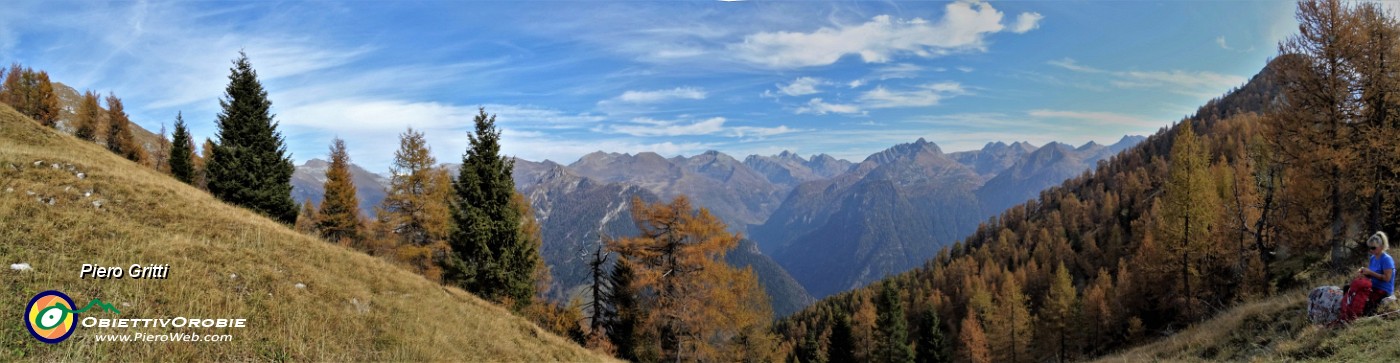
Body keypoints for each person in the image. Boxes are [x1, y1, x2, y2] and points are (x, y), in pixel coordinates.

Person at [1357, 231, 1394, 316]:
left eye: (1373, 248)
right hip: (1373, 287)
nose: (1371, 250)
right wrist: (1365, 273)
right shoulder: (1373, 258)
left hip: (1383, 290)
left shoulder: (1386, 259)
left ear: (1381, 246)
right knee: (1349, 289)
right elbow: (1371, 274)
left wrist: (1371, 272)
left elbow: (1387, 278)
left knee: (1366, 305)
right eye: (1370, 248)